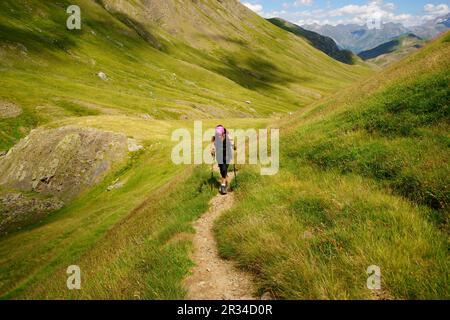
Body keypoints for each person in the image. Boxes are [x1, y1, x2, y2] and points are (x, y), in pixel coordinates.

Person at [210, 125, 235, 195]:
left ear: (223, 132)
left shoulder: (228, 136)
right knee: (222, 170)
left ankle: (223, 186)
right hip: (219, 155)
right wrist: (212, 151)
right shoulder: (215, 137)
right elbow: (213, 145)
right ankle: (226, 179)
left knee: (224, 169)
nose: (218, 135)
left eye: (219, 133)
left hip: (227, 155)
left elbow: (232, 143)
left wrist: (234, 146)